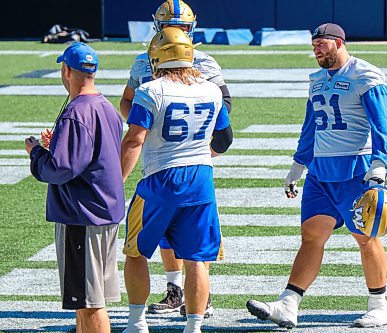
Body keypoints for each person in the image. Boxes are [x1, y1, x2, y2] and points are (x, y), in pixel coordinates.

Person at [246, 23, 387, 328]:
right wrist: (298, 166)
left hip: (354, 170)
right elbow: (310, 126)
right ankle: (288, 304)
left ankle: (380, 305)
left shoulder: (365, 75)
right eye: (314, 45)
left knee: (366, 238)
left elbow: (383, 124)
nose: (316, 49)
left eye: (322, 44)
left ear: (340, 43)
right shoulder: (316, 80)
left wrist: (379, 164)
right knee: (311, 237)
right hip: (319, 172)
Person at [119, 0, 231, 317]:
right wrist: (149, 127)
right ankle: (176, 290)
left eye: (184, 27)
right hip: (163, 157)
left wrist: (187, 146)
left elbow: (225, 119)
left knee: (174, 241)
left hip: (181, 160)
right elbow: (128, 102)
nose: (178, 33)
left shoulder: (205, 63)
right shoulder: (143, 63)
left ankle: (191, 303)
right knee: (171, 233)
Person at [24, 42, 125, 333]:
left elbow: (61, 169)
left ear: (66, 70)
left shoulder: (76, 112)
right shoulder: (106, 106)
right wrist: (57, 145)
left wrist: (36, 152)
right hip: (103, 211)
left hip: (82, 215)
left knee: (89, 303)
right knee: (87, 301)